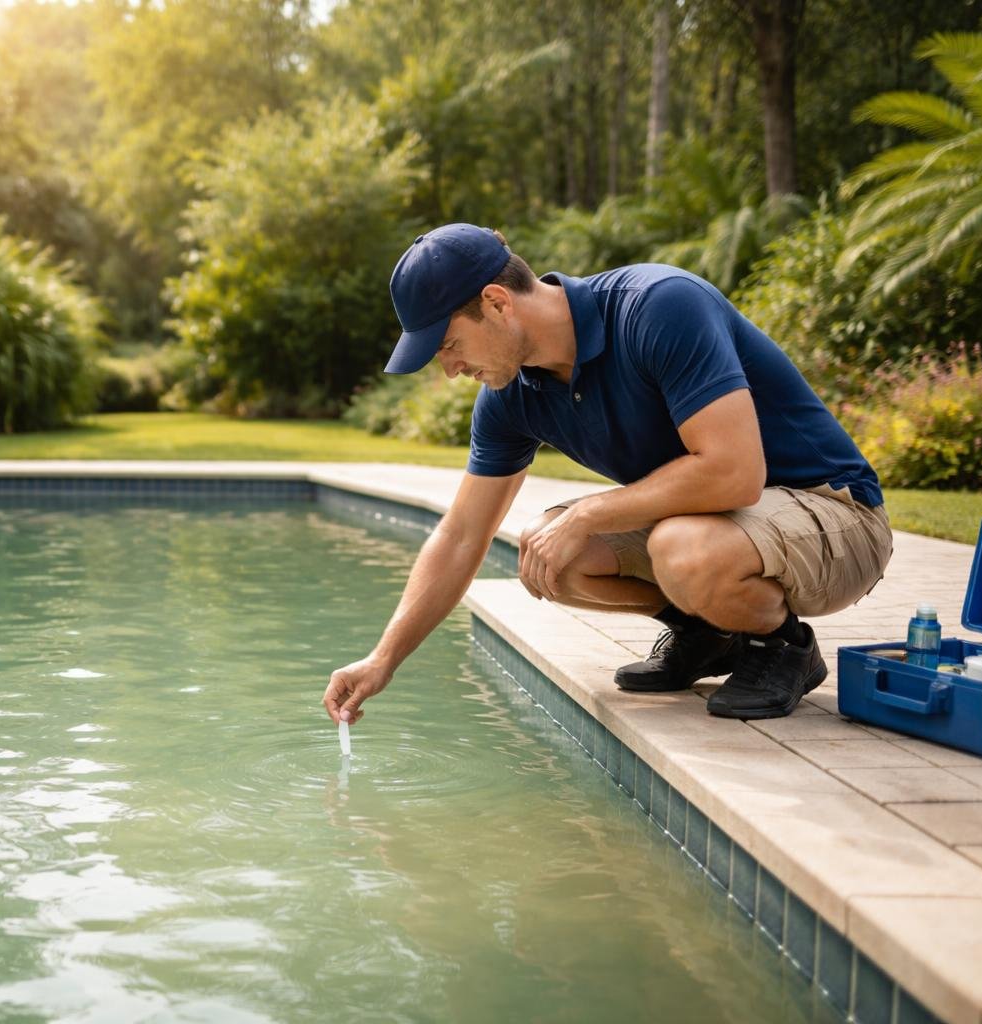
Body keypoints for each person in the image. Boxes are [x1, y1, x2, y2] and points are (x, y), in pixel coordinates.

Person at [322, 223, 892, 726]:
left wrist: (590, 513)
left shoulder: (658, 306)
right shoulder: (511, 397)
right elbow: (462, 534)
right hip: (726, 524)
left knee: (678, 548)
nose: (449, 370)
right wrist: (383, 658)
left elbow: (736, 473)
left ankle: (784, 645)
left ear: (497, 303)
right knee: (550, 550)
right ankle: (708, 634)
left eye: (448, 345)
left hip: (835, 513)